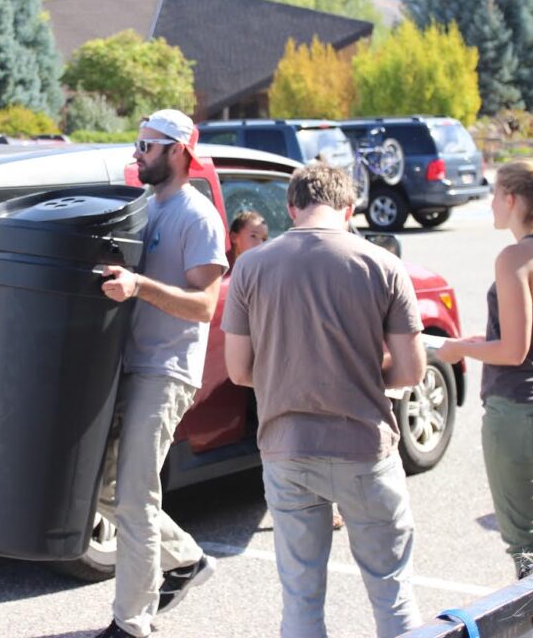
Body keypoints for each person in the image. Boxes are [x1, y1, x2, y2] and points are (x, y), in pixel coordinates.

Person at [222, 163, 426, 638]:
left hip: (287, 446)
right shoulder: (383, 265)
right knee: (393, 594)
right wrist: (361, 378)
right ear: (349, 209)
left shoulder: (251, 266)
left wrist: (288, 376)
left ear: (291, 208)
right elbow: (412, 370)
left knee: (301, 601)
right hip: (365, 446)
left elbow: (239, 371)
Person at [94, 109, 228, 638]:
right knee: (100, 487)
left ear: (177, 150)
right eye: (137, 143)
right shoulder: (148, 207)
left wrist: (139, 286)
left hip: (166, 371)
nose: (137, 153)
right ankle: (187, 559)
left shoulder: (198, 216)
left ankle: (132, 621)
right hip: (128, 365)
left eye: (145, 145)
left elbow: (204, 305)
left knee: (136, 496)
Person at [436, 160, 533, 578]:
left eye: (495, 194)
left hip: (520, 413)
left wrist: (460, 349)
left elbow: (515, 351)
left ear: (512, 199)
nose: (491, 204)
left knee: (525, 545)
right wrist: (485, 342)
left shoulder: (514, 258)